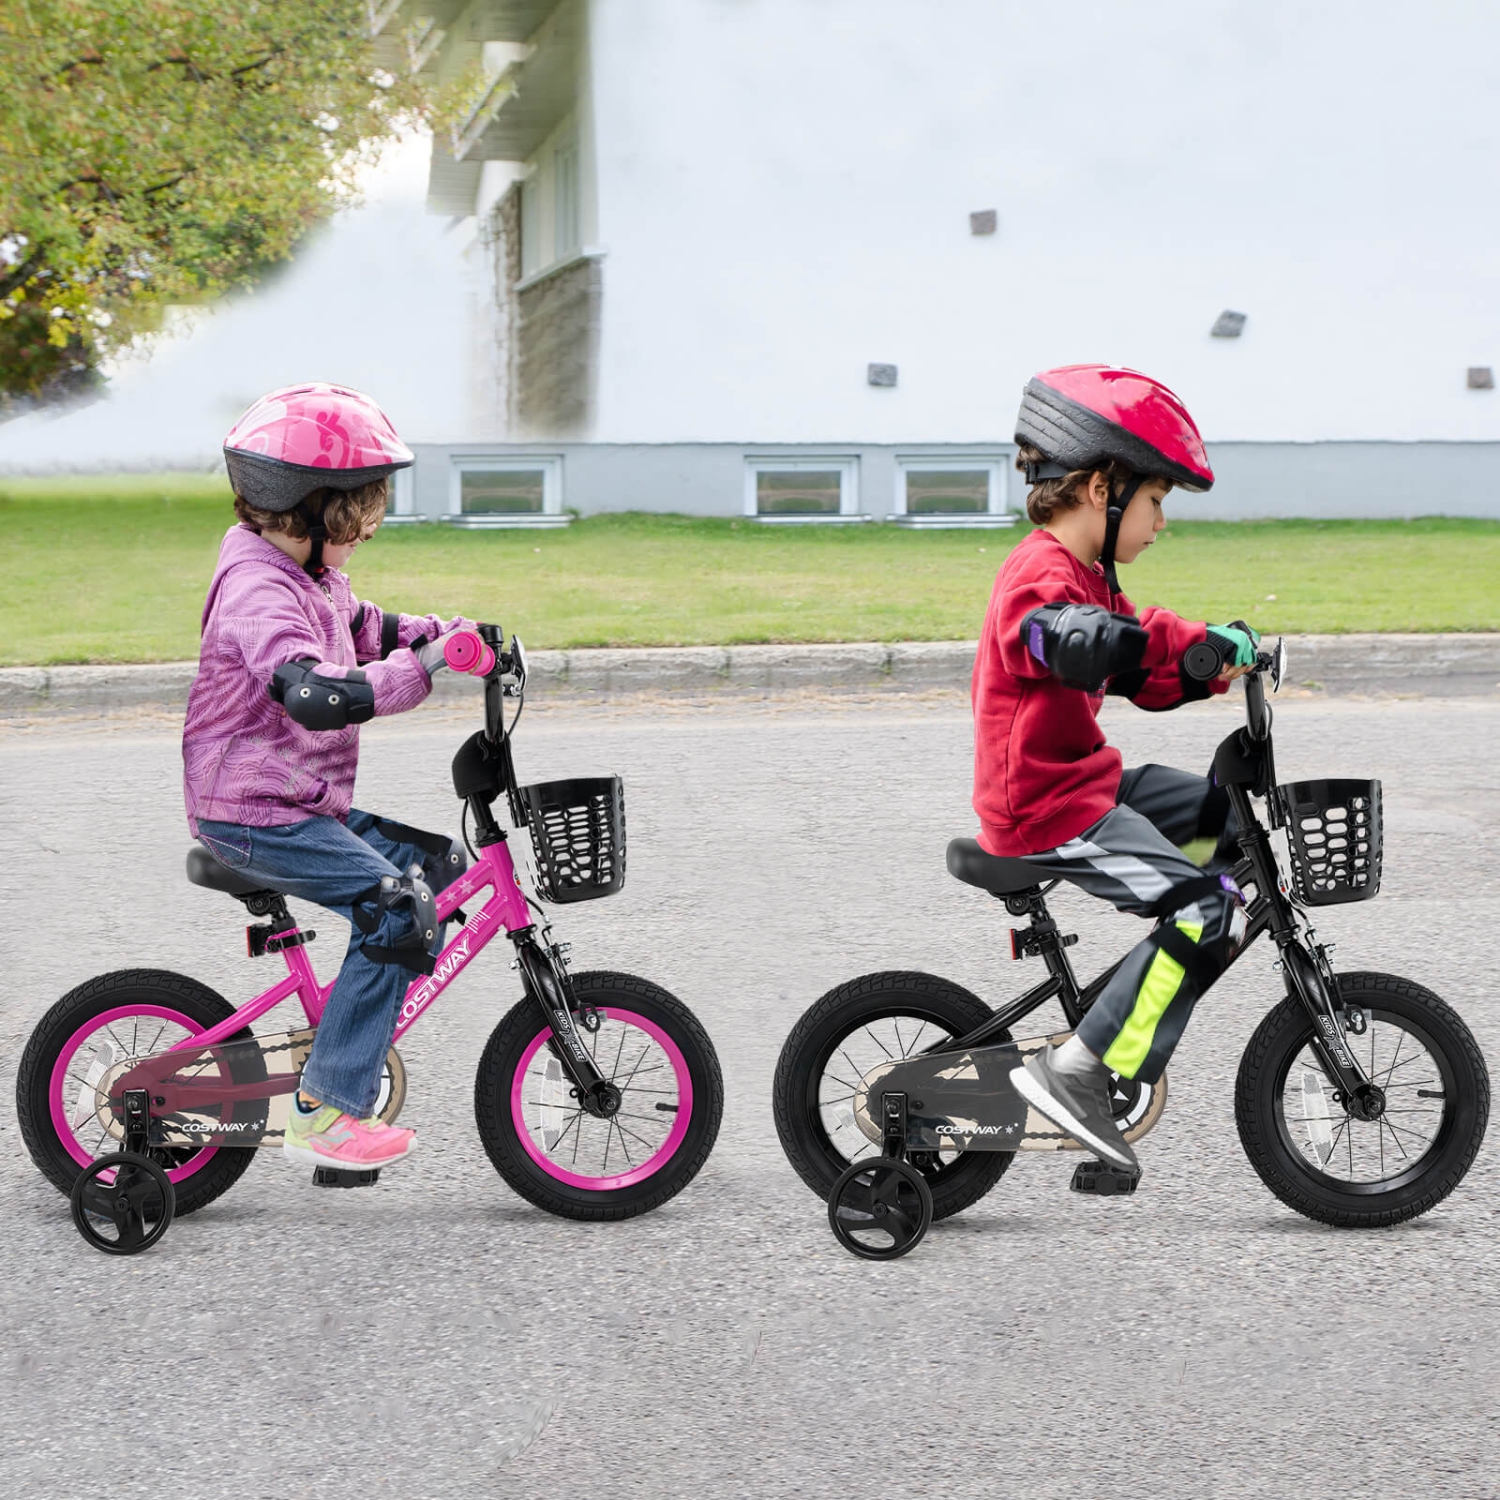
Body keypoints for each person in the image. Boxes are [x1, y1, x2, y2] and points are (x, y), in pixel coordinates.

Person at [969, 364, 1260, 1176]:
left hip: (1085, 781)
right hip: (1047, 807)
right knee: (1206, 912)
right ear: (1103, 488)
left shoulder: (1092, 578)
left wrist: (1215, 653)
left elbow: (1146, 656)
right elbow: (1055, 633)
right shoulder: (1041, 573)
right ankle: (1083, 1070)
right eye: (1158, 501)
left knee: (1228, 829)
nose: (1162, 522)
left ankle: (1136, 995)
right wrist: (1086, 638)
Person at [184, 382, 475, 1173]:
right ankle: (328, 1108)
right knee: (396, 909)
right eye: (356, 526)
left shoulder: (307, 576)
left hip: (294, 802)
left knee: (436, 872)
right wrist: (413, 676)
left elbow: (363, 625)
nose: (364, 541)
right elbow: (314, 692)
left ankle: (344, 1037)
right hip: (251, 814)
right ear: (311, 512)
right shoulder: (256, 590)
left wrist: (448, 638)